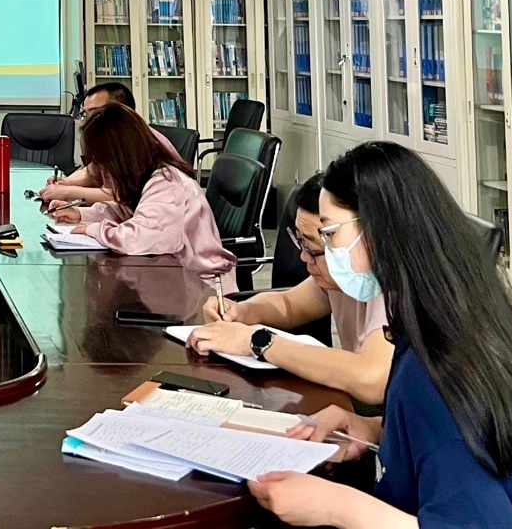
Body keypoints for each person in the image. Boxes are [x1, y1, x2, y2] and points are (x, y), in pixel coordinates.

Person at [248, 142, 512, 528]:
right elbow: (447, 447)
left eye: (329, 234)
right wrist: (373, 429)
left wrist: (334, 506)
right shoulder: (449, 318)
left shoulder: (439, 371)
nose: (324, 253)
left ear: (379, 230)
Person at [184, 173, 393, 405]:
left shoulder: (393, 286)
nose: (303, 257)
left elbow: (371, 379)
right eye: (301, 243)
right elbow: (289, 305)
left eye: (315, 249)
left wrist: (257, 341)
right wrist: (241, 311)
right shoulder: (344, 278)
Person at [50, 103, 234, 286]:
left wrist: (95, 229)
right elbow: (128, 212)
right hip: (169, 278)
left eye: (102, 160)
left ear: (119, 157)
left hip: (203, 287)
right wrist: (81, 214)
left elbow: (138, 238)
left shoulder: (168, 185)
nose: (101, 170)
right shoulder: (146, 175)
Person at [39, 81, 134, 206]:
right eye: (85, 114)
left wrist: (67, 192)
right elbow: (92, 172)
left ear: (121, 111)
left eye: (94, 112)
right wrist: (64, 183)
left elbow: (123, 195)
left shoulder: (140, 144)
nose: (88, 120)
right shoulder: (109, 139)